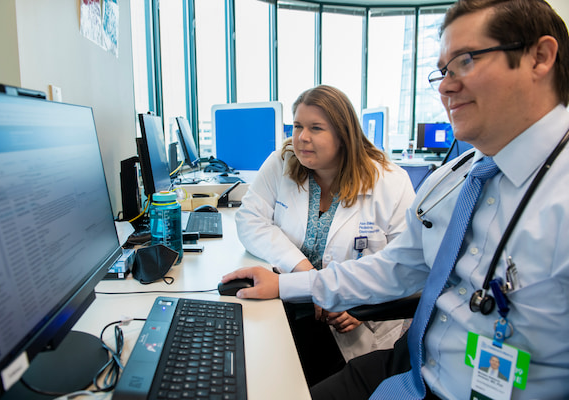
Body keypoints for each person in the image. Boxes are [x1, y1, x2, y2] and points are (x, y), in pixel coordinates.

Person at [222, 0, 569, 399]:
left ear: (539, 58)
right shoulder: (454, 178)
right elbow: (394, 267)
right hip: (410, 365)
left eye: (467, 61)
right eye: (443, 71)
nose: (445, 86)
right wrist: (287, 286)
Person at [235, 85, 415, 385]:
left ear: (344, 135)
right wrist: (302, 268)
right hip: (294, 305)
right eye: (297, 126)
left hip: (357, 325)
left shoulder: (391, 182)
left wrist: (364, 307)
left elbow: (408, 266)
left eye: (316, 128)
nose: (302, 137)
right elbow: (249, 219)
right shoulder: (284, 161)